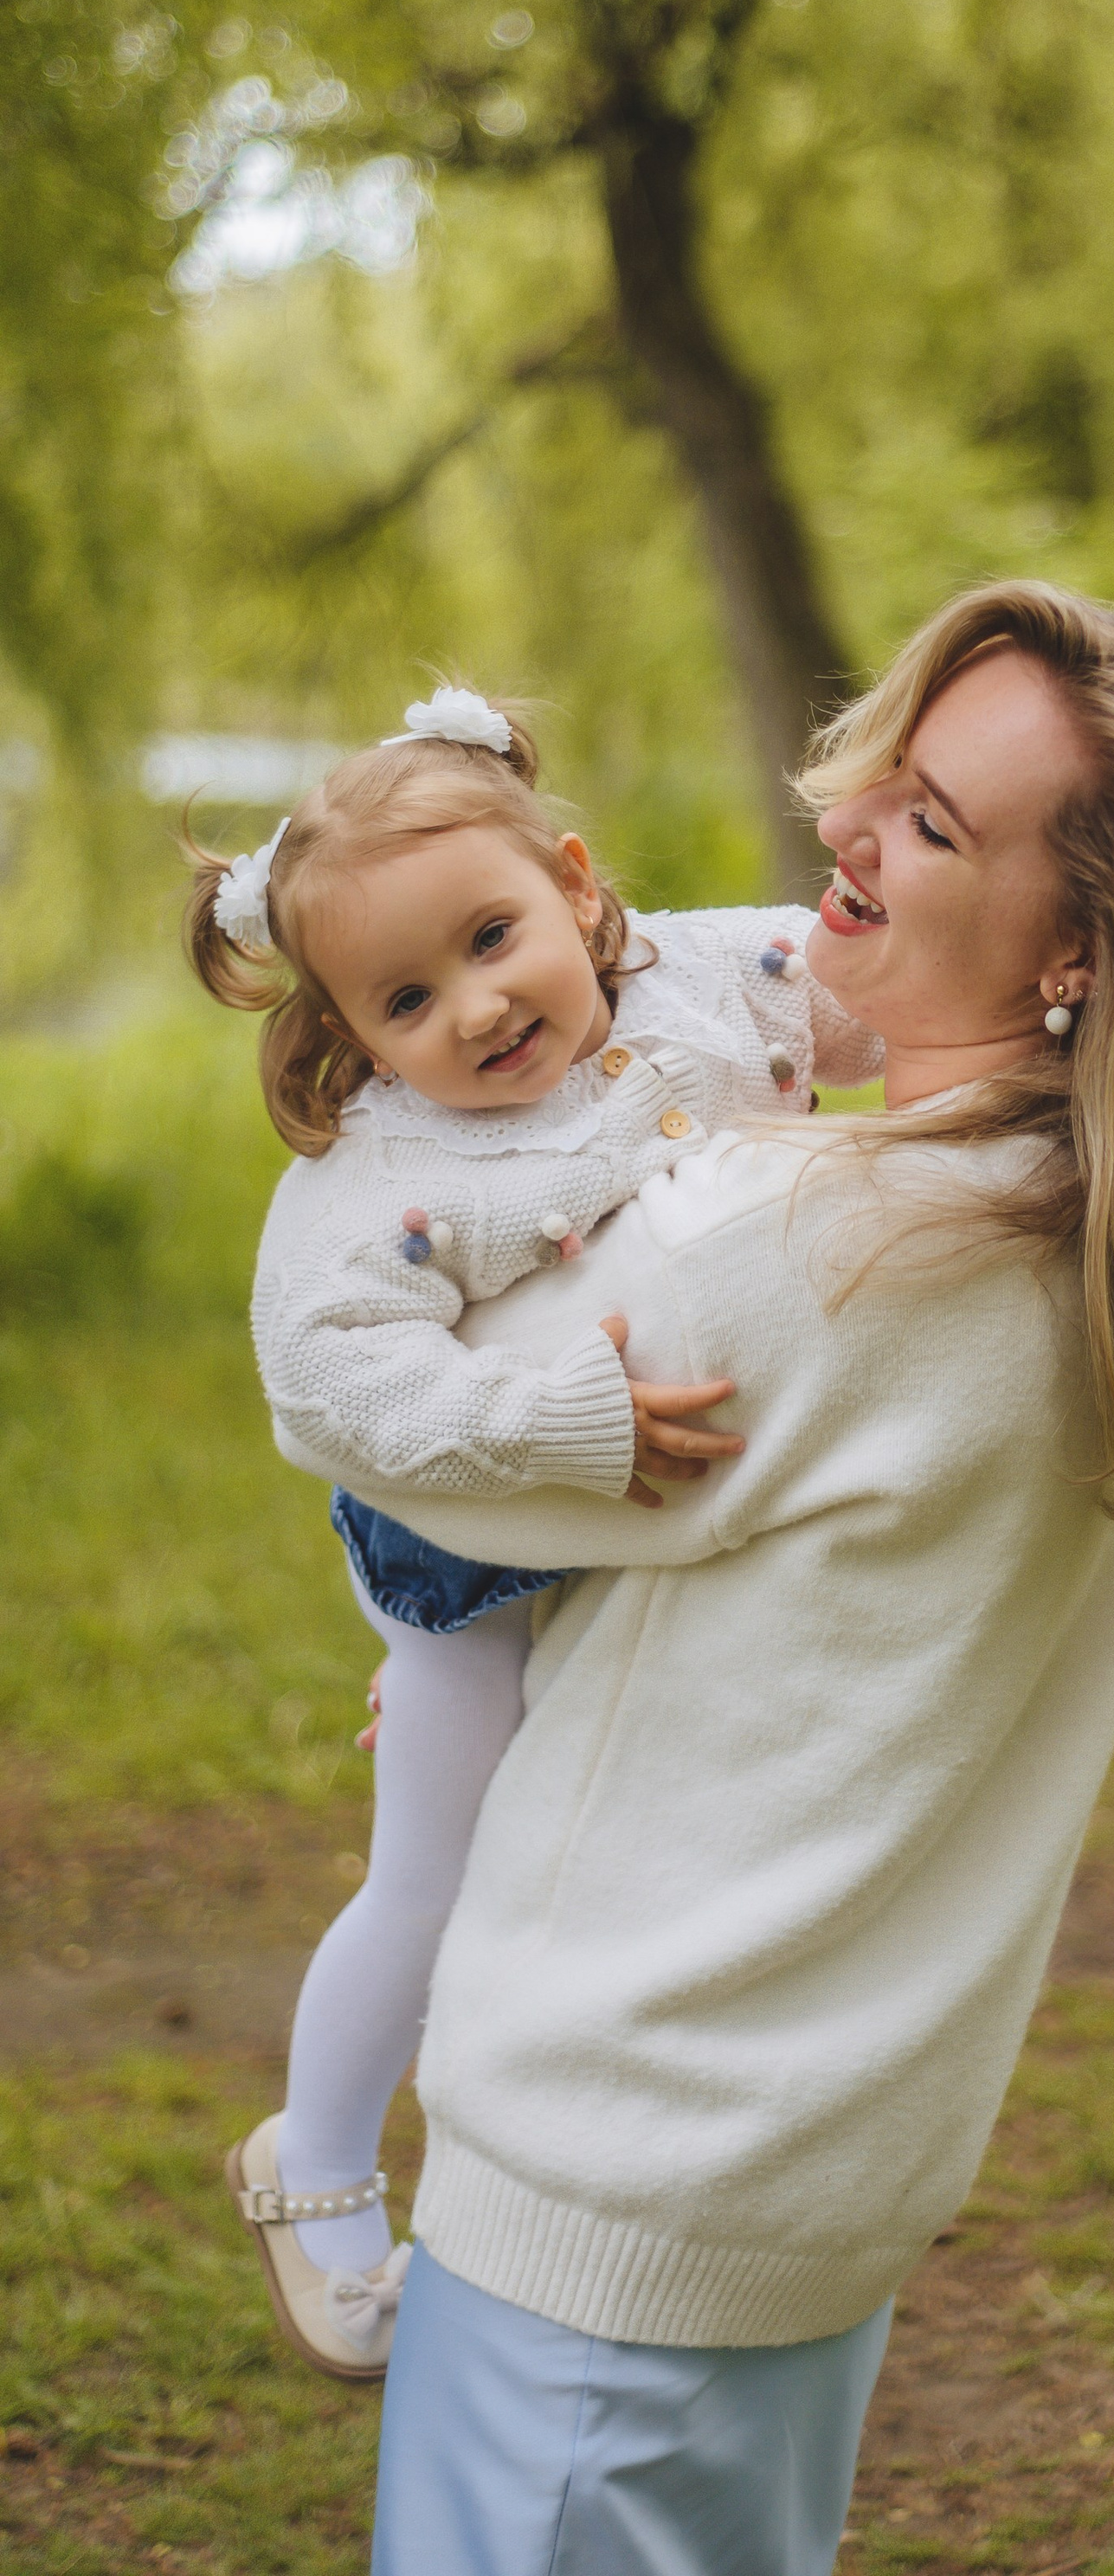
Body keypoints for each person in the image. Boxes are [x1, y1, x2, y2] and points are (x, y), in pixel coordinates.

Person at [320, 581, 1114, 2576]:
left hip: (617, 2183)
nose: (847, 829)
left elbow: (400, 1449)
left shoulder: (814, 1250)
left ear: (1082, 944)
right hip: (810, 2171)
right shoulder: (1100, 1229)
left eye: (933, 824)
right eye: (886, 775)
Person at [183, 686, 880, 2379]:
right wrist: (559, 1422)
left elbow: (873, 997)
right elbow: (331, 1385)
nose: (478, 1010)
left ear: (575, 883)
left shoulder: (709, 976)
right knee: (432, 1872)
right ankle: (321, 2163)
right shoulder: (384, 1177)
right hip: (471, 1567)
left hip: (647, 1556)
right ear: (354, 1032)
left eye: (494, 938)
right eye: (407, 998)